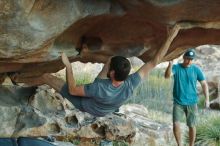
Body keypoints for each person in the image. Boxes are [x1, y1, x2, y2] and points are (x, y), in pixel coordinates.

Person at [11, 24, 181, 117]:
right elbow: (155, 61)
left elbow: (72, 89)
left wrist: (69, 65)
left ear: (112, 74)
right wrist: (171, 36)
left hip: (89, 106)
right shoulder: (131, 83)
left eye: (110, 69)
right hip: (106, 104)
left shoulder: (98, 88)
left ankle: (16, 79)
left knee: (47, 77)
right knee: (108, 60)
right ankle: (84, 51)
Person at [164, 49, 210, 146]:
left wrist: (207, 99)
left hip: (192, 102)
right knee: (176, 124)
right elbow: (167, 76)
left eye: (191, 59)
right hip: (178, 102)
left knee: (192, 126)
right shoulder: (176, 68)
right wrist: (170, 64)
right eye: (187, 59)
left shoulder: (196, 69)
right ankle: (179, 145)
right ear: (184, 57)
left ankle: (191, 145)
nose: (189, 61)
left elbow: (204, 84)